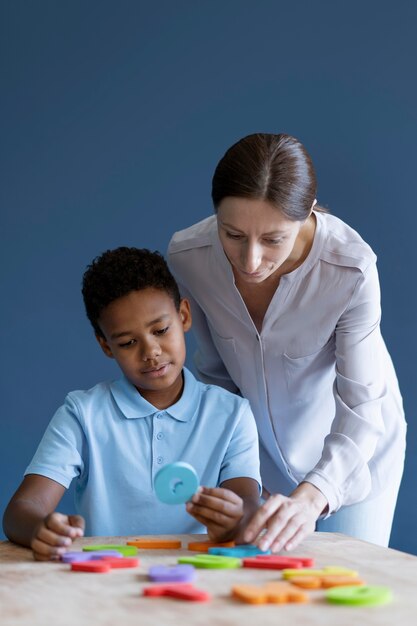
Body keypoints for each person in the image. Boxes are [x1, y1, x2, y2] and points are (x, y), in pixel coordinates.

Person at [168, 132, 407, 552]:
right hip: (255, 461)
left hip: (353, 455)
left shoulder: (351, 269)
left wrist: (313, 494)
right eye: (233, 235)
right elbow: (217, 377)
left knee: (348, 603)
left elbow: (362, 406)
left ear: (308, 213)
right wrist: (232, 471)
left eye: (273, 239)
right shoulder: (188, 257)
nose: (251, 261)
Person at [2, 247, 261, 560]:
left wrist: (236, 519)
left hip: (198, 579)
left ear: (184, 316)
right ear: (105, 346)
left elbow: (247, 506)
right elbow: (21, 511)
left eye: (161, 330)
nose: (150, 351)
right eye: (127, 342)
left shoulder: (231, 414)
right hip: (104, 583)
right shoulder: (82, 415)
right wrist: (40, 528)